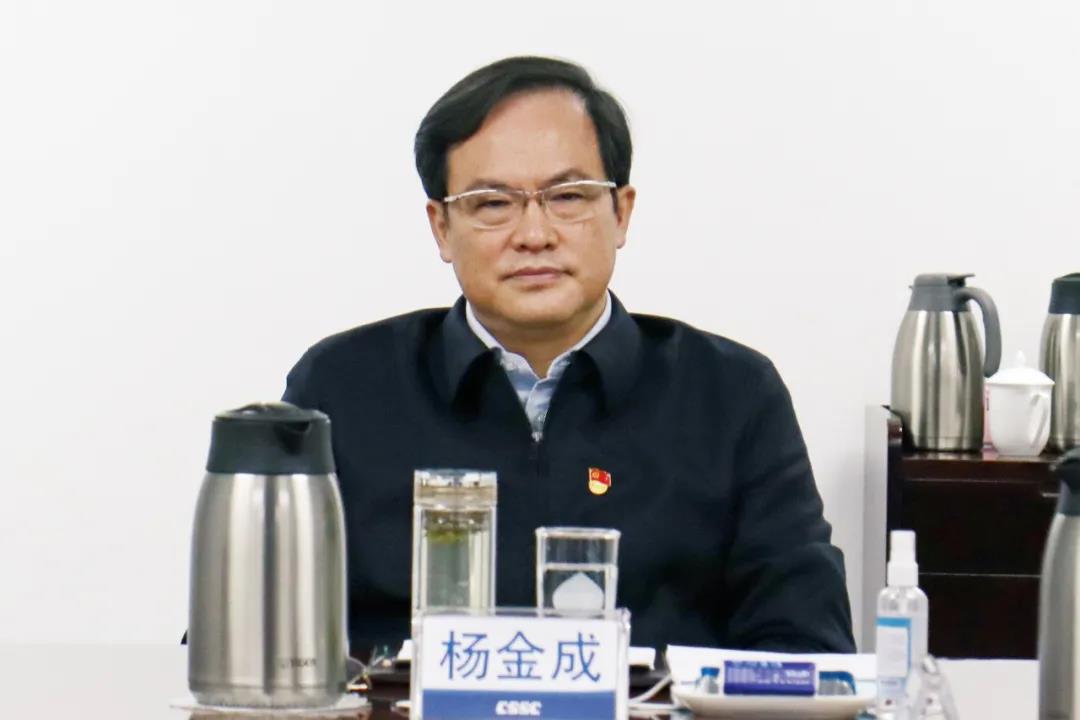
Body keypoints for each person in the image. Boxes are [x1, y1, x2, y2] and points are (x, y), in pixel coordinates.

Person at [283, 56, 855, 653]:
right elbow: (266, 641)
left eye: (568, 196)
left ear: (621, 213)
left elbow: (806, 648)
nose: (535, 235)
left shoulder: (730, 395)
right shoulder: (342, 389)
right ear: (442, 228)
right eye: (492, 203)